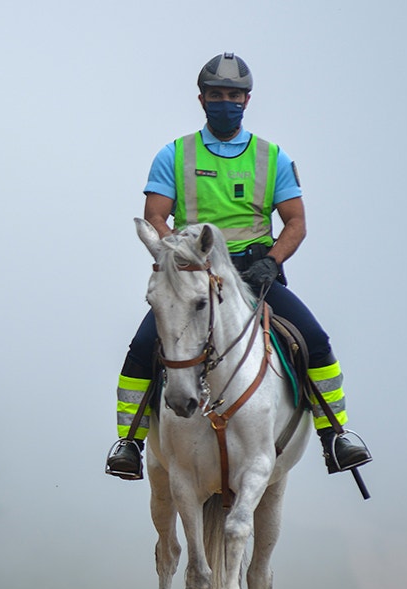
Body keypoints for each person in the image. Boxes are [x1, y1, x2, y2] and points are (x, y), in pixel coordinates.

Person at [105, 52, 372, 480]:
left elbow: (296, 222)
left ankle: (335, 436)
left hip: (254, 274)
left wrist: (272, 261)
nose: (225, 102)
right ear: (202, 99)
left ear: (247, 100)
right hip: (195, 275)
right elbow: (155, 215)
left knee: (315, 342)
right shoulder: (174, 154)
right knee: (142, 347)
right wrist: (178, 255)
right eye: (216, 95)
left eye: (233, 95)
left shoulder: (273, 157)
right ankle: (130, 442)